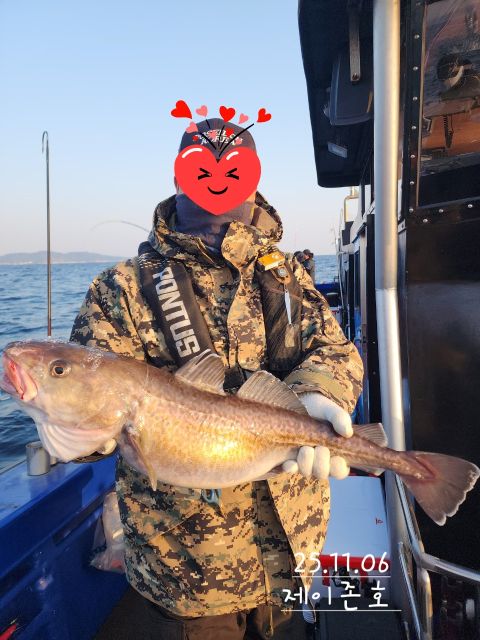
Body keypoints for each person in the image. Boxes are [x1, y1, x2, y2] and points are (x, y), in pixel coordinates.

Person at [70, 118, 363, 639]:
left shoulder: (287, 274)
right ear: (179, 176)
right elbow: (95, 415)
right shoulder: (121, 288)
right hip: (188, 574)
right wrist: (69, 425)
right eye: (201, 169)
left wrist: (319, 392)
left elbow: (335, 350)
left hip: (295, 546)